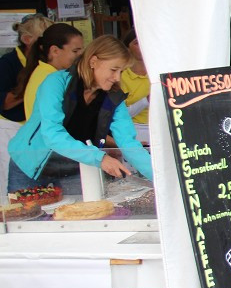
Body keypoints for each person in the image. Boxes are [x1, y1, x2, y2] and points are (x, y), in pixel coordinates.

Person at [8, 36, 153, 194]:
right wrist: (100, 158)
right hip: (29, 163)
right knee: (25, 215)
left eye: (121, 71)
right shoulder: (56, 83)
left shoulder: (114, 97)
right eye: (113, 70)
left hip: (75, 165)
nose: (117, 78)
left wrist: (159, 178)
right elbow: (52, 133)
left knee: (80, 215)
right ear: (93, 62)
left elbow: (129, 143)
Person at [14, 23, 84, 119]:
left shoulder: (43, 71)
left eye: (81, 51)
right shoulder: (50, 79)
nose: (81, 56)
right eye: (75, 51)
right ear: (55, 51)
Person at [0, 14, 52, 123]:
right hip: (11, 127)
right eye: (44, 40)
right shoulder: (7, 63)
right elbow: (5, 103)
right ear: (26, 39)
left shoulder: (49, 62)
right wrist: (34, 83)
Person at [119, 30, 150, 129]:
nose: (142, 46)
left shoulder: (158, 72)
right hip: (135, 129)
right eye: (137, 43)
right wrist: (146, 100)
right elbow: (120, 114)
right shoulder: (121, 76)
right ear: (127, 48)